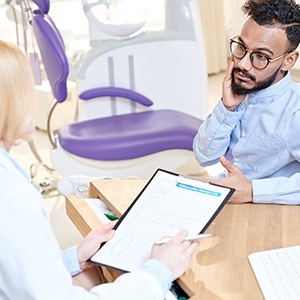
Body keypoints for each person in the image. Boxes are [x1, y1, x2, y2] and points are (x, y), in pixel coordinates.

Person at [0, 40, 199, 299]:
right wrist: (159, 271)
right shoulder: (13, 197)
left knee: (92, 274)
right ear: (10, 102)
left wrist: (73, 257)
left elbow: (19, 272)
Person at [193, 0, 300, 205]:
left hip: (267, 213)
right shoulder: (245, 90)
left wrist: (253, 191)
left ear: (288, 61)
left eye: (261, 56)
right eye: (241, 47)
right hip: (229, 199)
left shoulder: (295, 111)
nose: (242, 64)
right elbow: (204, 156)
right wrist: (227, 108)